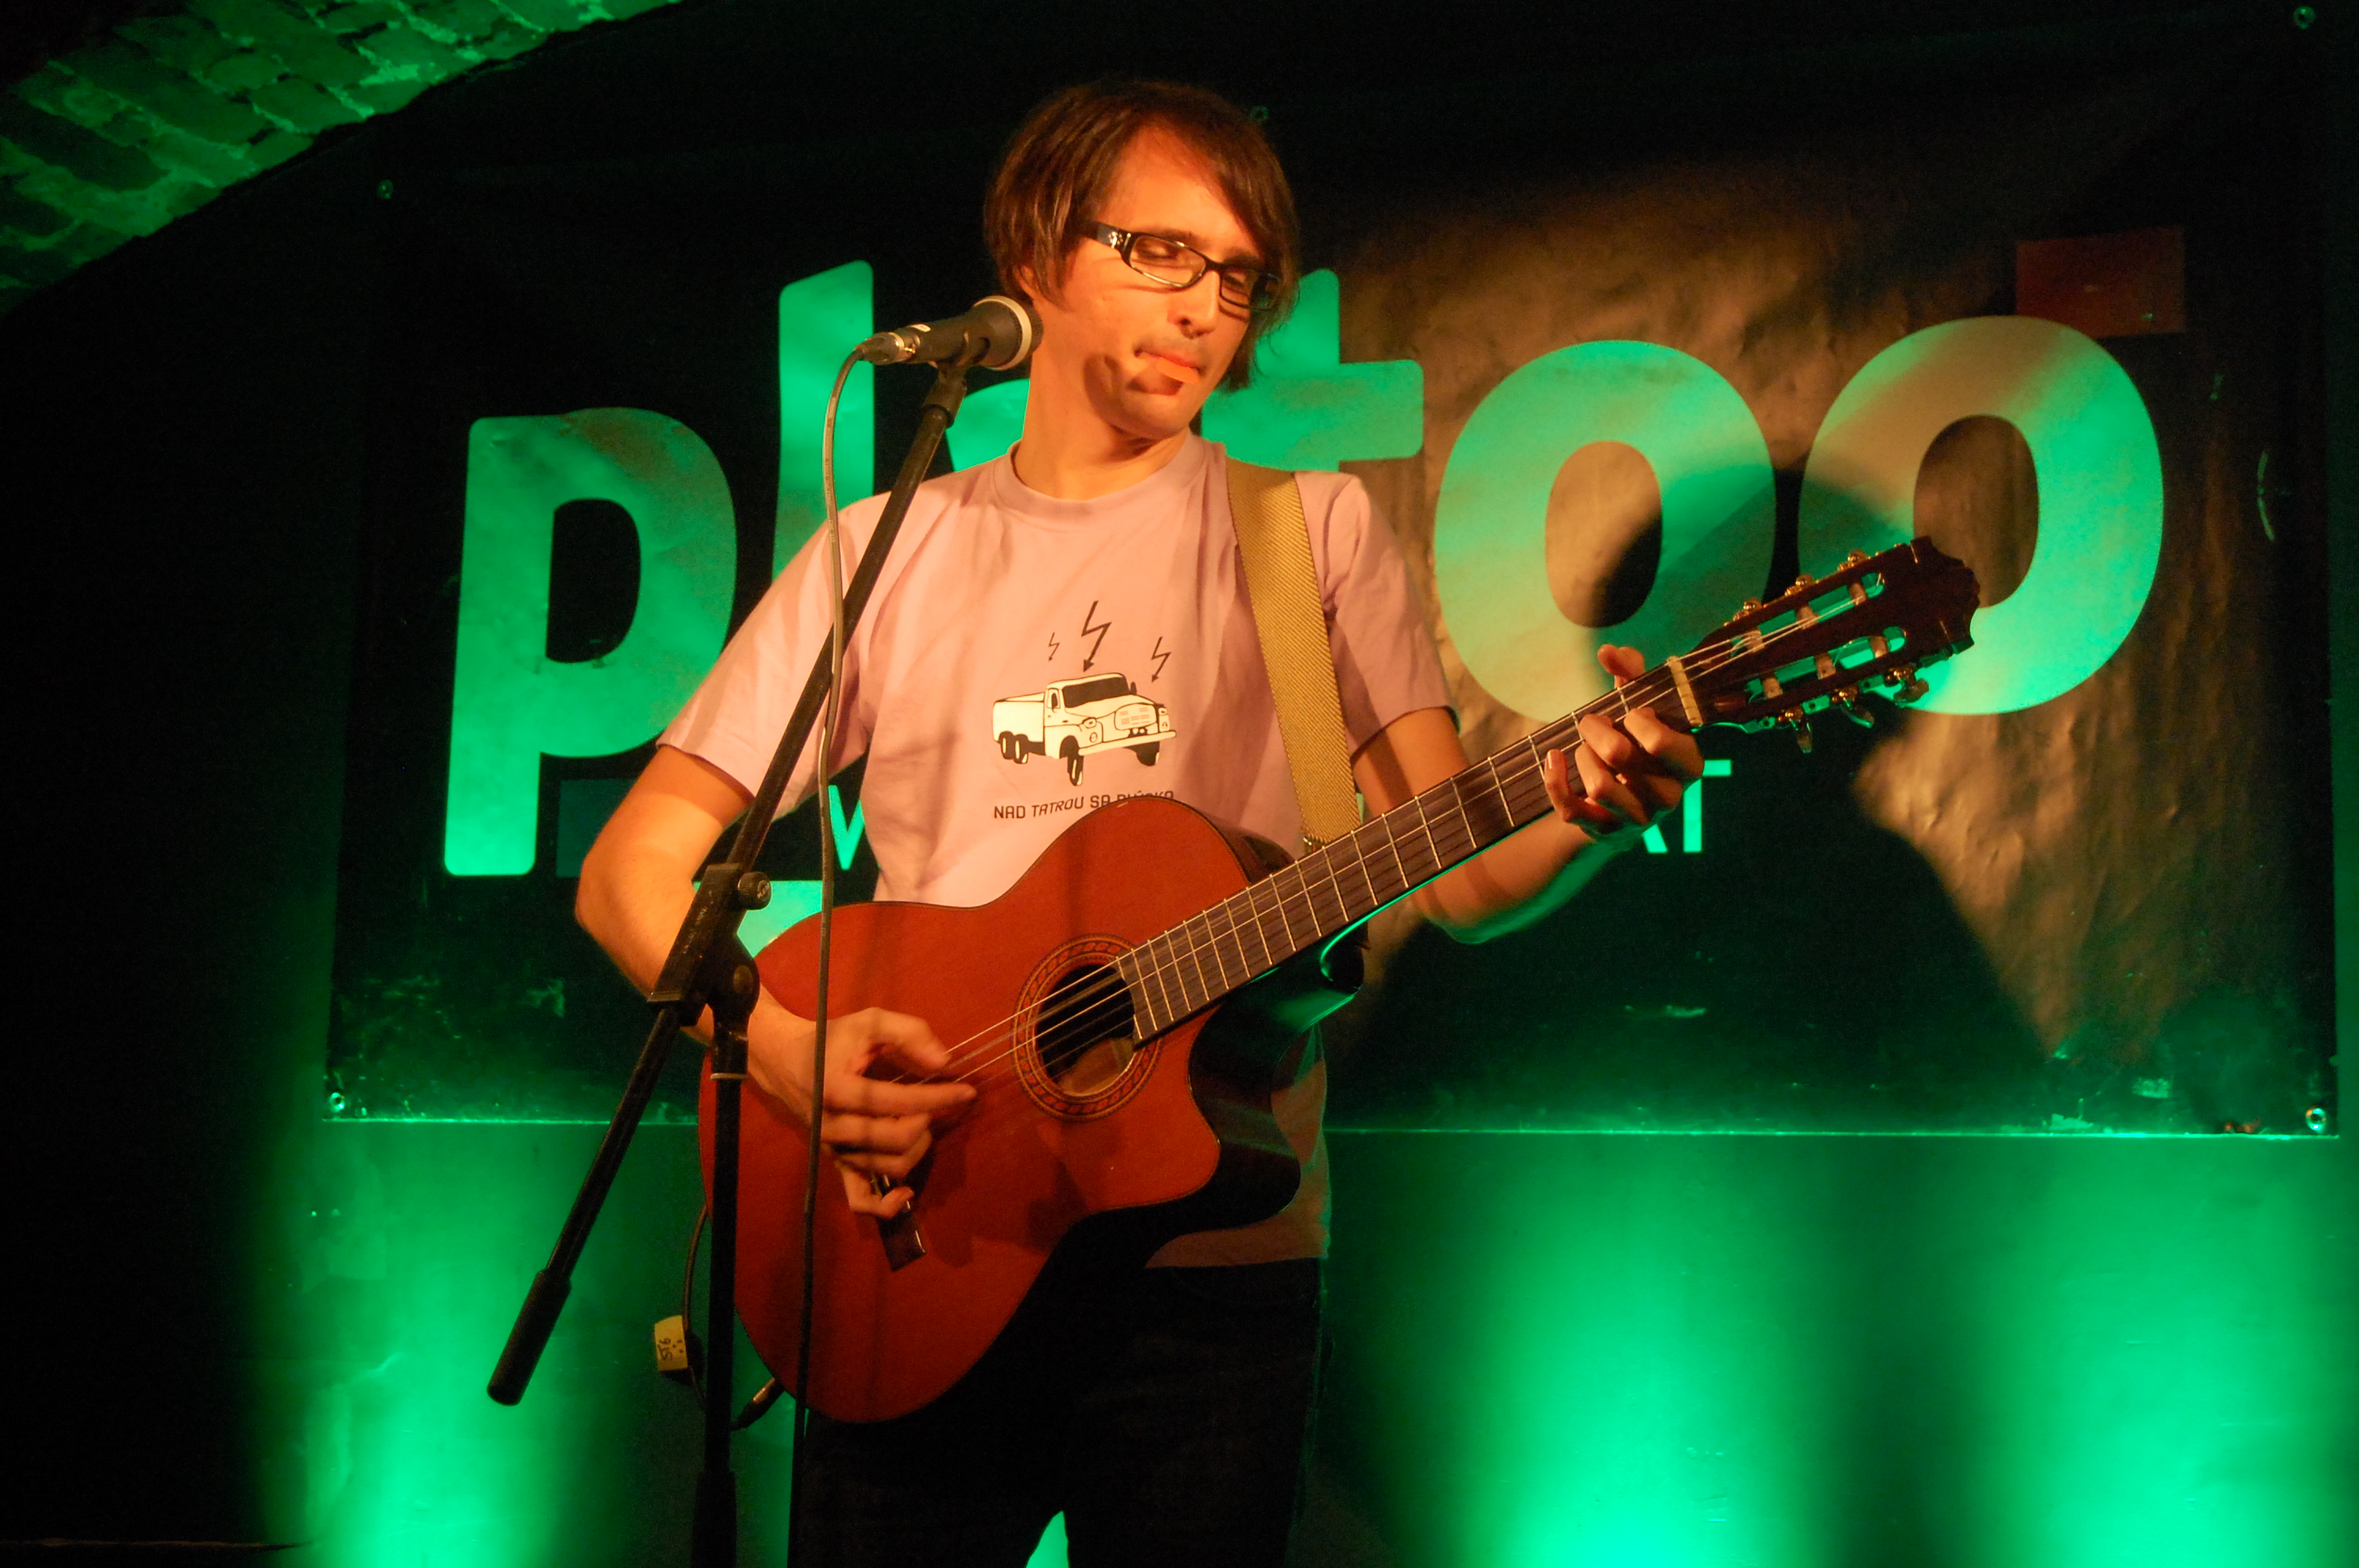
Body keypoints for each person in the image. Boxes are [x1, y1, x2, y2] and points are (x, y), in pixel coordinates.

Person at [576, 79, 1700, 1567]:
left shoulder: (1308, 530)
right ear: (1037, 254)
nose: (1203, 308)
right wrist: (791, 1063)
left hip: (1207, 1260)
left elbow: (1457, 866)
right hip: (919, 1226)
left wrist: (1596, 807)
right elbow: (631, 870)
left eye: (1234, 278)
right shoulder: (881, 547)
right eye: (1158, 254)